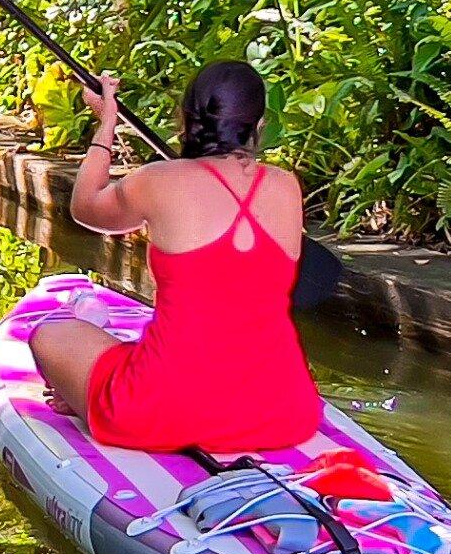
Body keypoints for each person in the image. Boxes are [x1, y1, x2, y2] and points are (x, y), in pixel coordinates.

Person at [26, 60, 325, 455]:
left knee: (49, 332)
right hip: (285, 411)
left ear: (185, 119)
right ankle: (86, 392)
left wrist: (106, 125)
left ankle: (84, 398)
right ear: (259, 126)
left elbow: (84, 208)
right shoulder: (287, 186)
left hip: (162, 410)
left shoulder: (157, 181)